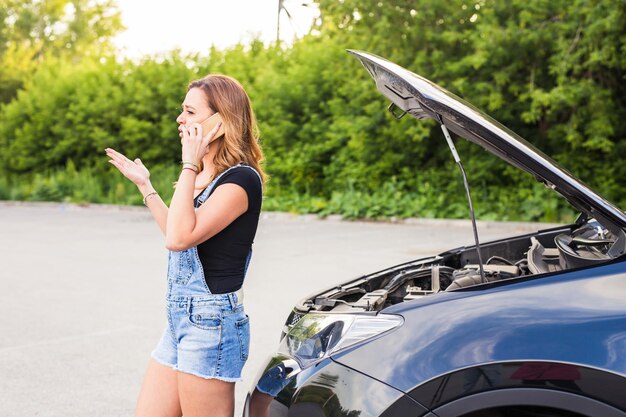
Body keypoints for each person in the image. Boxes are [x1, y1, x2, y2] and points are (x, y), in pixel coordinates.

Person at [105, 74, 266, 417]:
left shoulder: (241, 179)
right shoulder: (200, 176)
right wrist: (146, 186)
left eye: (190, 112)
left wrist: (190, 163)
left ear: (220, 122)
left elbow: (180, 237)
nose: (180, 119)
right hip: (179, 319)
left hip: (211, 323)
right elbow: (176, 237)